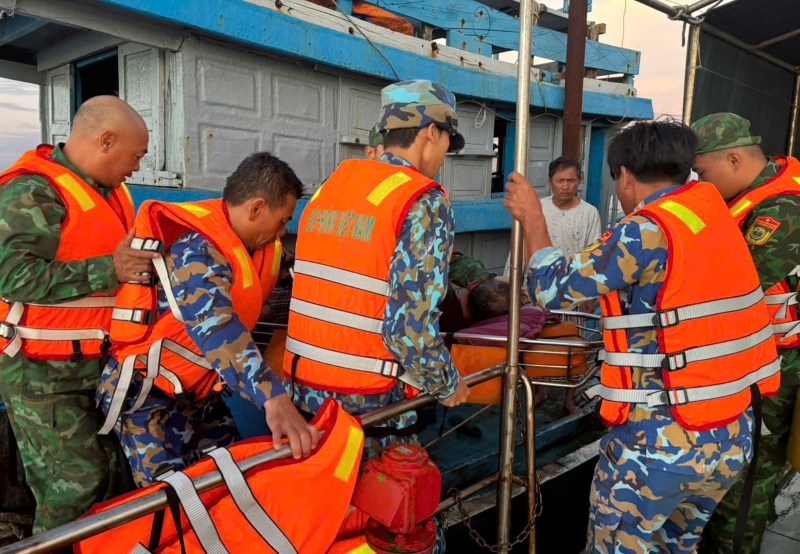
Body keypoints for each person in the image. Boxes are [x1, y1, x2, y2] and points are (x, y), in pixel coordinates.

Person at [504, 120, 780, 553]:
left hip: (661, 446)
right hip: (730, 434)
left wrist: (533, 219)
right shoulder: (713, 218)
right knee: (677, 548)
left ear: (626, 176)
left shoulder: (647, 230)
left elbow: (551, 288)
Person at [97, 152, 319, 486]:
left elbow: (291, 280)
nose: (282, 232)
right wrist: (274, 398)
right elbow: (217, 328)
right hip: (149, 396)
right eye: (282, 221)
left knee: (233, 483)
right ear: (256, 208)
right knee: (171, 500)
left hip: (199, 394)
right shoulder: (197, 250)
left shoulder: (258, 246)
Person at [285, 79, 470, 461]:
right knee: (390, 494)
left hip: (304, 395)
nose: (444, 156)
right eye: (447, 142)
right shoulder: (422, 199)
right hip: (370, 403)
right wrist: (448, 383)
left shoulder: (331, 188)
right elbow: (409, 332)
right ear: (431, 132)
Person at [0, 95, 154, 533]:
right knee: (73, 483)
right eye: (135, 156)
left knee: (109, 475)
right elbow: (11, 276)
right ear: (106, 141)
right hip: (40, 374)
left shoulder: (113, 193)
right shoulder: (32, 191)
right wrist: (110, 269)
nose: (137, 168)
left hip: (95, 367)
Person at [691, 112, 800, 554]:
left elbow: (735, 284)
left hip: (777, 367)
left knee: (749, 477)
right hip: (754, 359)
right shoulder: (753, 199)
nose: (701, 183)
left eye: (703, 172)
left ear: (734, 159)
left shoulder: (782, 211)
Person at [503, 156, 602, 276]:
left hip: (572, 282)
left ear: (579, 181)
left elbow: (594, 254)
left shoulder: (589, 213)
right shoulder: (536, 208)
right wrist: (510, 279)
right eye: (560, 181)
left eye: (571, 181)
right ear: (550, 182)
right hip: (538, 279)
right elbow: (520, 248)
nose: (565, 187)